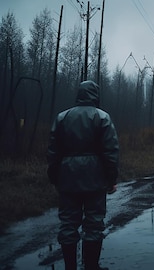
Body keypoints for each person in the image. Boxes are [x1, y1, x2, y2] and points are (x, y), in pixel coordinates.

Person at [47, 80, 119, 270]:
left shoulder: (62, 117)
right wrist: (111, 179)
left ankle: (70, 267)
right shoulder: (102, 117)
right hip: (94, 178)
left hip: (67, 177)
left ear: (79, 95)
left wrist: (54, 176)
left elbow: (53, 151)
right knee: (94, 223)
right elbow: (110, 151)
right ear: (96, 95)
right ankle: (91, 266)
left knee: (68, 224)